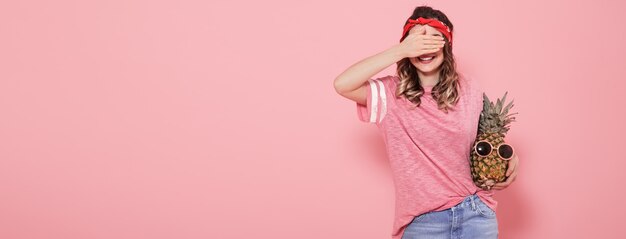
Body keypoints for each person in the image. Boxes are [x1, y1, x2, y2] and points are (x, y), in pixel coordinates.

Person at [333, 5, 519, 239]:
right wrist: (398, 50)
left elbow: (485, 139)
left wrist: (509, 157)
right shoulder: (390, 94)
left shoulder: (469, 88)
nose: (425, 45)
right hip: (424, 223)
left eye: (434, 37)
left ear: (447, 45)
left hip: (476, 215)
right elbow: (342, 84)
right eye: (418, 39)